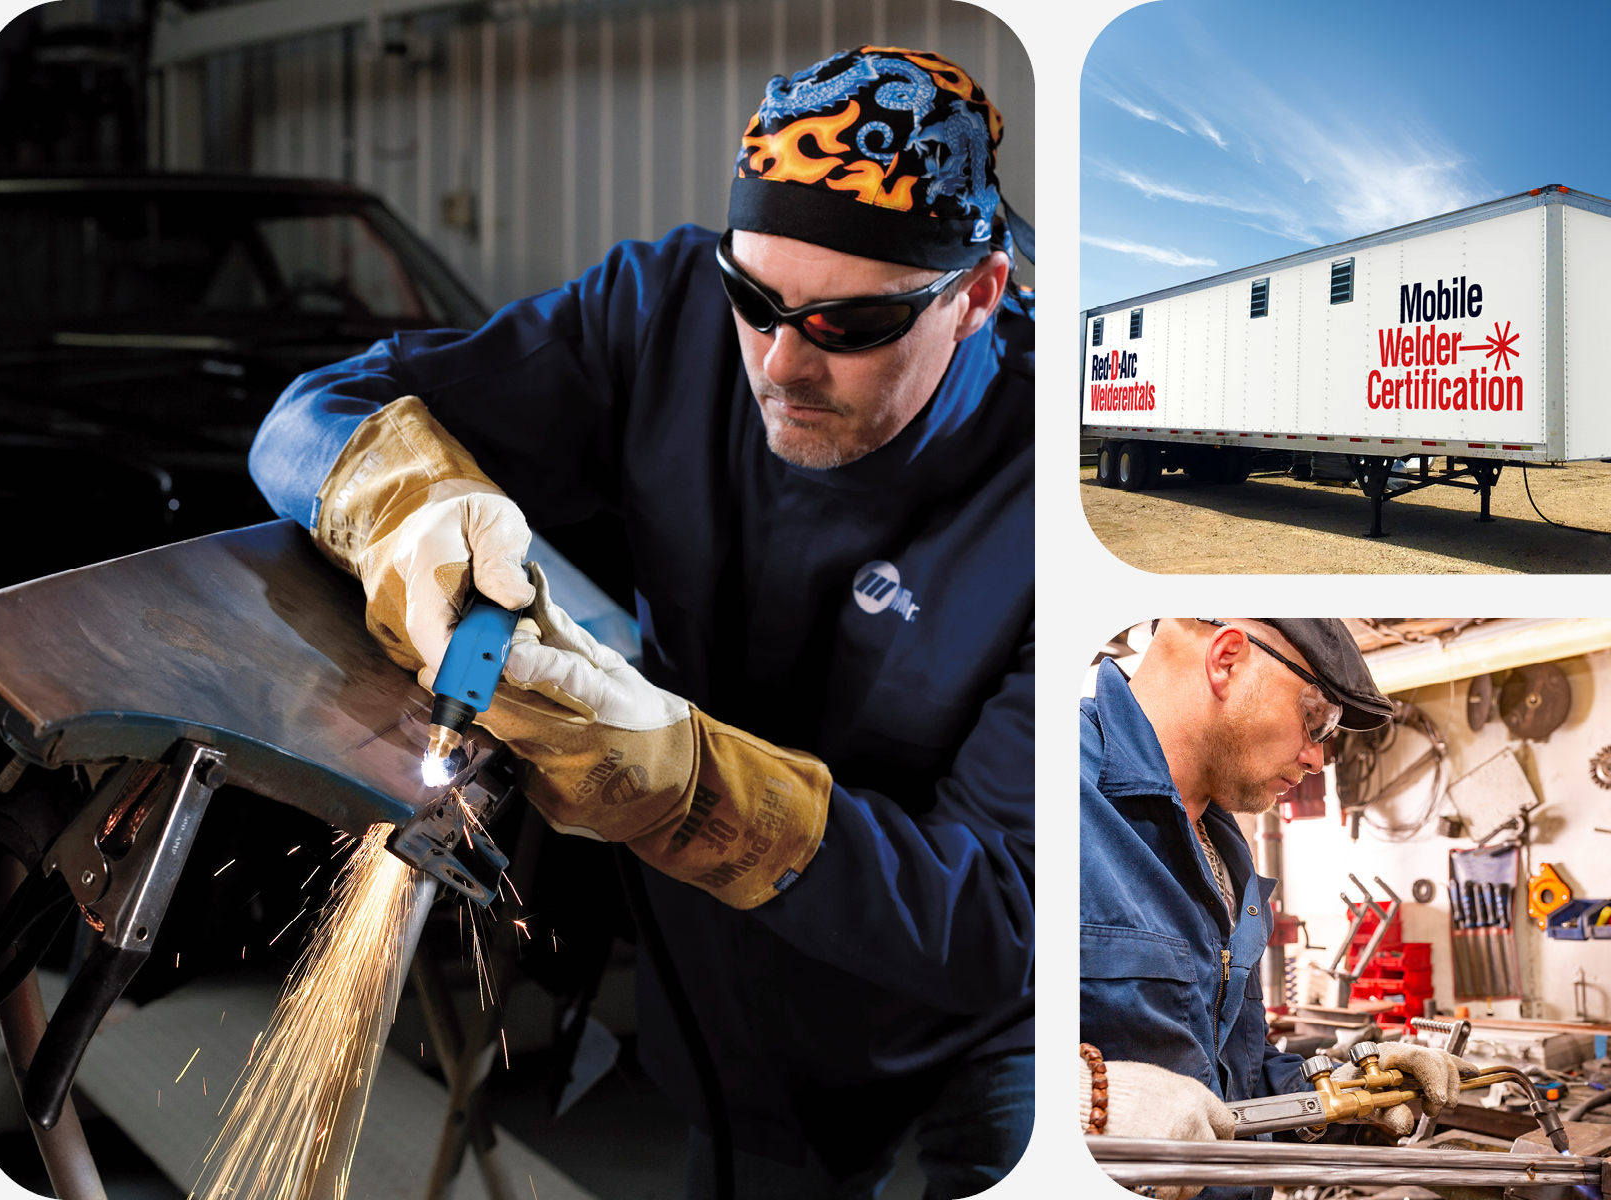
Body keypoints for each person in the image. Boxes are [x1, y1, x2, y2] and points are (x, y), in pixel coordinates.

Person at [248, 45, 1033, 1200]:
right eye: (756, 300)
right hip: (733, 1009)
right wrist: (412, 505)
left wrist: (687, 784)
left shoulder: (1058, 487)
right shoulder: (659, 311)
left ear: (976, 296)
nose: (779, 362)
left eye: (847, 328)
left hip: (977, 1040)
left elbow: (995, 913)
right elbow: (309, 416)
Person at [1078, 619, 1471, 1200]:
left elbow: (1233, 1075)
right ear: (1228, 658)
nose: (1317, 758)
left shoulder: (1225, 853)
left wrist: (1341, 1091)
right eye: (1315, 720)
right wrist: (1079, 1100)